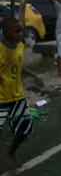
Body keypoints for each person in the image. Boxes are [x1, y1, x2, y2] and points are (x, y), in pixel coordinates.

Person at [0, 17, 43, 167]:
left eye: (21, 31)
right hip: (1, 98)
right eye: (16, 31)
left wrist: (34, 75)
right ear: (5, 32)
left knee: (24, 128)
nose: (21, 34)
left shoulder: (20, 46)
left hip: (16, 96)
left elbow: (18, 66)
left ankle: (11, 151)